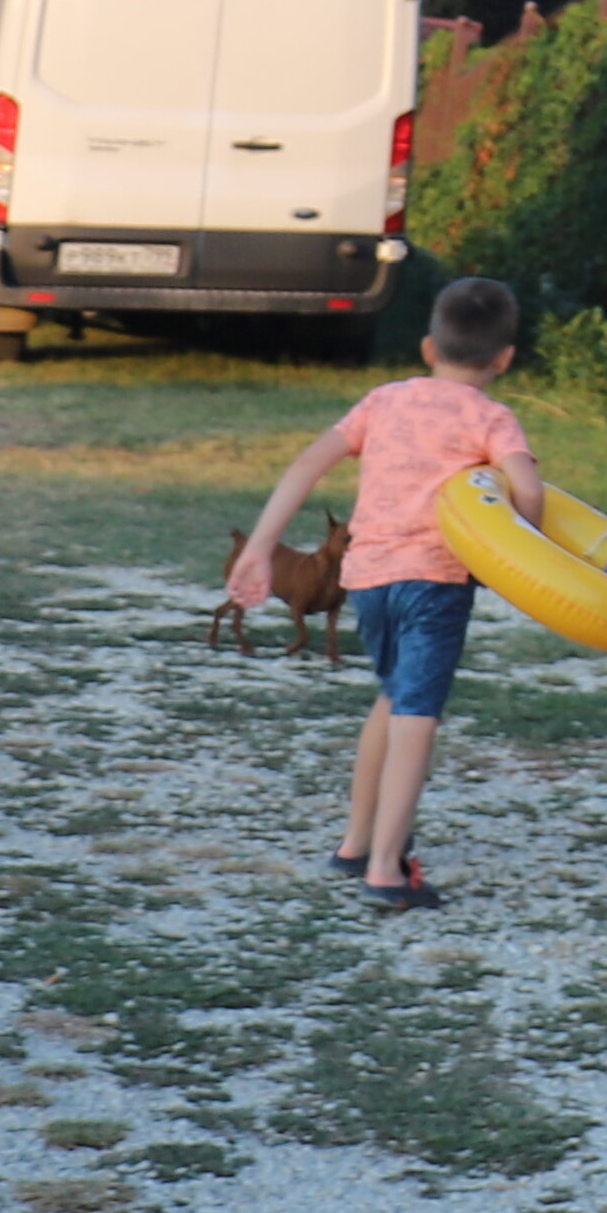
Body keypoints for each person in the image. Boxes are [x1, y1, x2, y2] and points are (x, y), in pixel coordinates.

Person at [225, 270, 540, 913]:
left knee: (393, 696)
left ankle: (355, 843)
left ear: (428, 347)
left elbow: (307, 464)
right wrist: (522, 554)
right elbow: (528, 491)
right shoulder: (492, 417)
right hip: (436, 581)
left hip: (367, 578)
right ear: (504, 358)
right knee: (417, 715)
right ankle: (386, 872)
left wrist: (259, 547)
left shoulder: (384, 400)